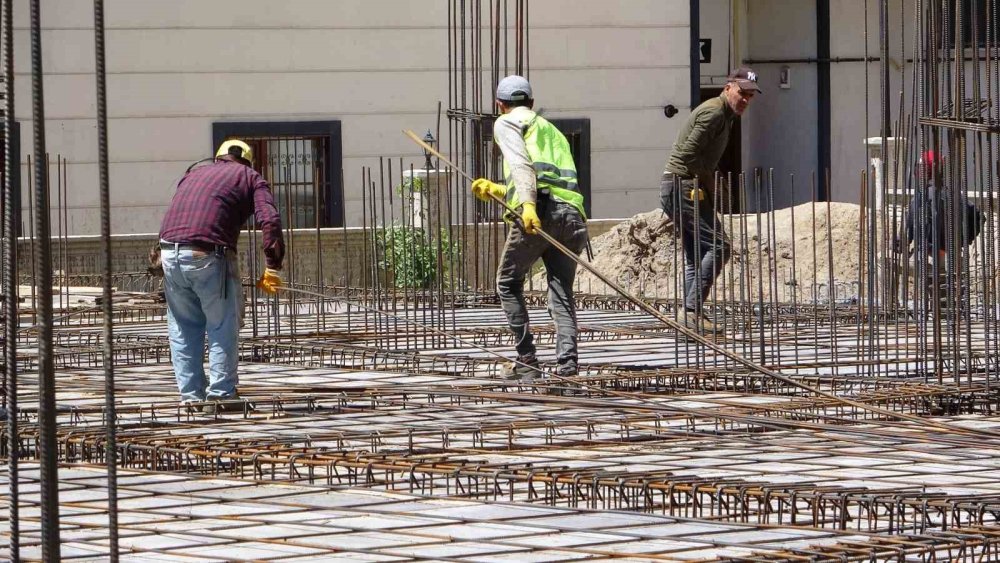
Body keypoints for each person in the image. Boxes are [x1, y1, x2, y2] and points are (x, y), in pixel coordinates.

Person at [471, 75, 589, 380]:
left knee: (508, 283)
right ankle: (568, 366)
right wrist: (500, 191)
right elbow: (549, 176)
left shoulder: (506, 123)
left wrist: (527, 205)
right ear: (532, 103)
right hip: (573, 216)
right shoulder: (551, 129)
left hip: (541, 211)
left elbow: (523, 166)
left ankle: (527, 360)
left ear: (500, 105)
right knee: (561, 290)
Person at [158, 140, 285, 411]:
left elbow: (178, 213)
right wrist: (273, 263)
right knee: (221, 324)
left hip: (168, 253)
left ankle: (191, 398)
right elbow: (270, 219)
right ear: (247, 161)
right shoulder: (250, 177)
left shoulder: (193, 174)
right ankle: (222, 395)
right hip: (208, 254)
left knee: (182, 328)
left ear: (218, 158)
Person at [659, 67, 760, 333]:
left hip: (683, 185)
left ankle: (691, 317)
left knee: (697, 255)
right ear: (729, 88)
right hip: (682, 185)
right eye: (742, 93)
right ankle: (691, 311)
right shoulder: (715, 112)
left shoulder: (726, 116)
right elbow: (689, 154)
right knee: (719, 246)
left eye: (751, 96)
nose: (746, 100)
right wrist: (711, 180)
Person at [897, 150, 984, 303]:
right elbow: (979, 217)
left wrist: (898, 247)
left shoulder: (918, 199)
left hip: (926, 259)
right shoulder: (956, 196)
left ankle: (893, 305)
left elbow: (903, 237)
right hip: (955, 259)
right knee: (946, 306)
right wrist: (963, 240)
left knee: (881, 261)